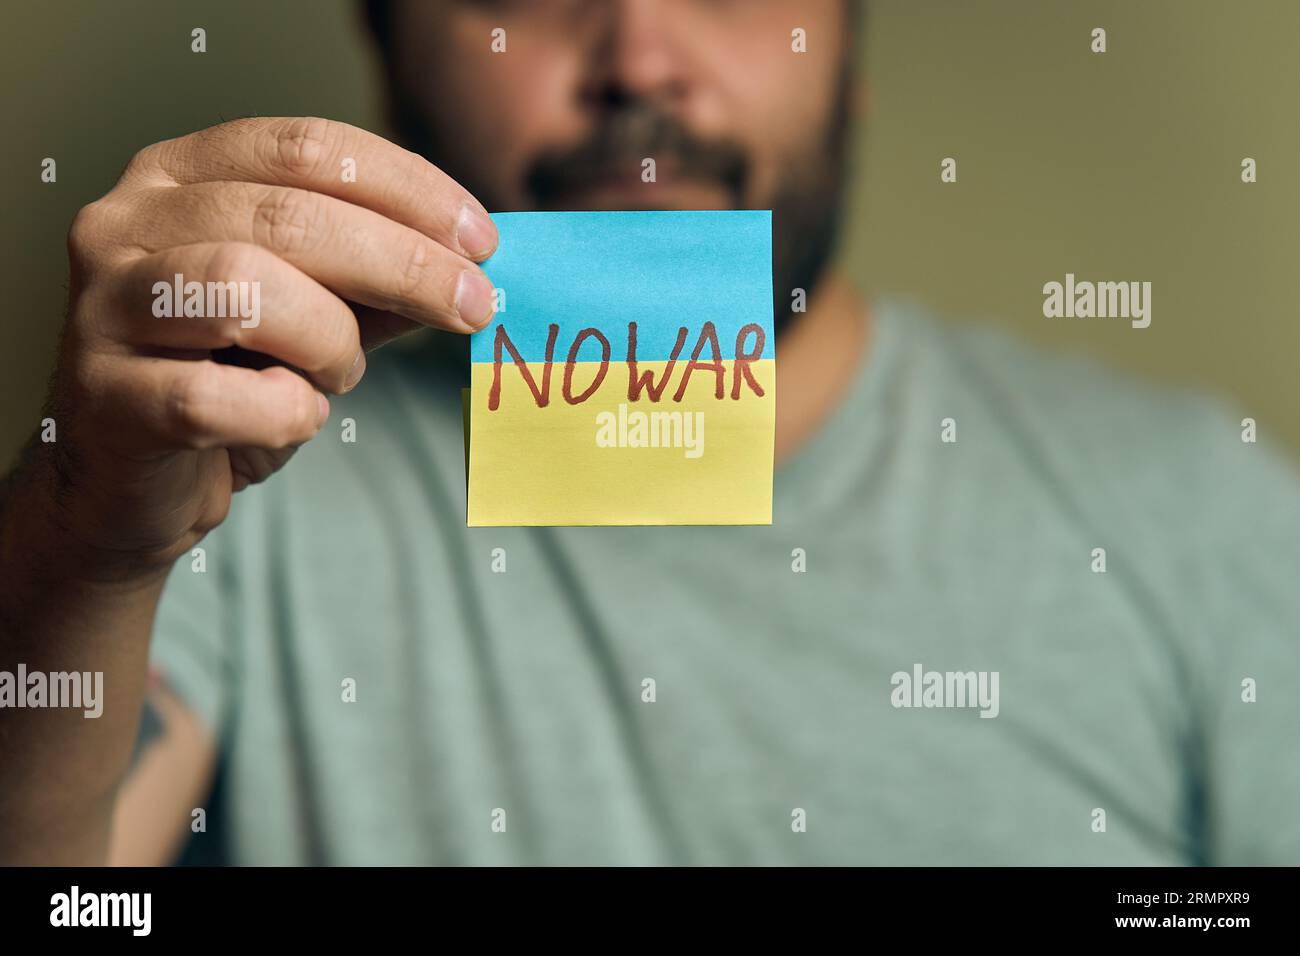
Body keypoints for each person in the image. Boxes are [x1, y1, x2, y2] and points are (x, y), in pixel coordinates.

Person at [1, 0, 1297, 866]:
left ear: (850, 60)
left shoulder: (1198, 507)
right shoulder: (212, 470)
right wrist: (82, 531)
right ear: (387, 50)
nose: (638, 56)